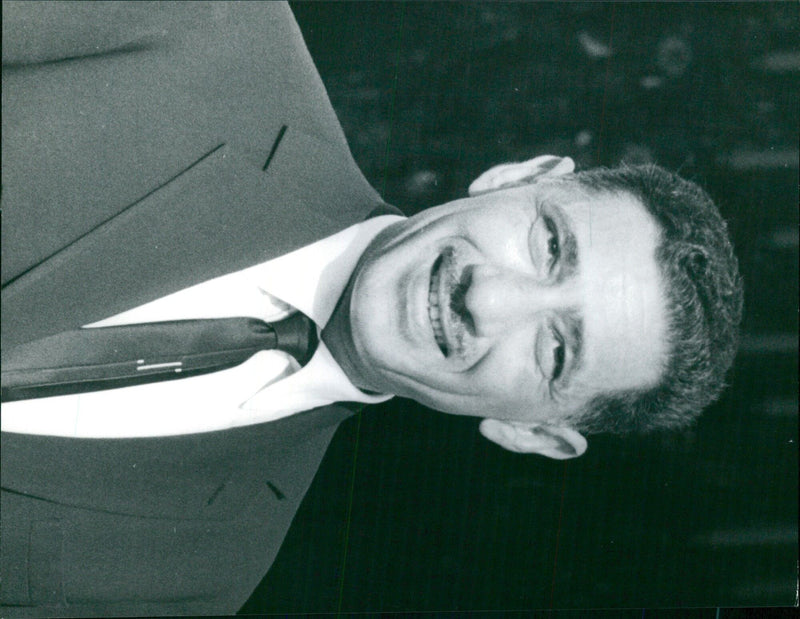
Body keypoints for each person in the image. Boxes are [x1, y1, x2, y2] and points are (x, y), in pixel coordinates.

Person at [0, 1, 743, 616]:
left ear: (535, 433)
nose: (487, 297)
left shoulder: (207, 574)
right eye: (549, 244)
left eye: (556, 350)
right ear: (522, 175)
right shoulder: (207, 27)